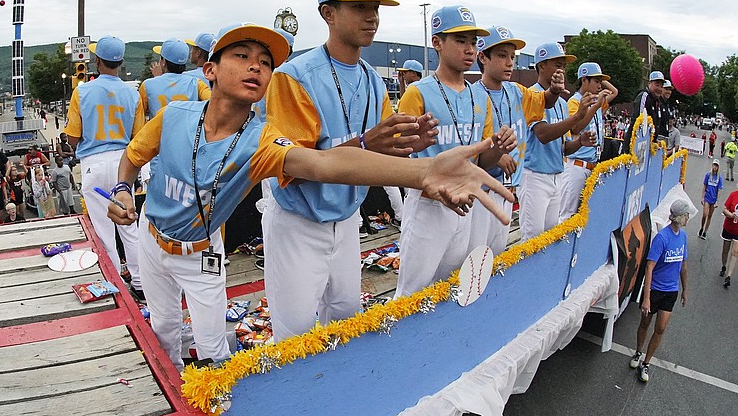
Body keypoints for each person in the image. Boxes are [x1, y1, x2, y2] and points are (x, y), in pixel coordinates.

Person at [106, 22, 512, 371]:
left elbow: (322, 165)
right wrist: (123, 189)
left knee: (213, 349)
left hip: (202, 253)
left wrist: (423, 171)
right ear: (209, 69)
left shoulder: (260, 141)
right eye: (242, 56)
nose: (255, 66)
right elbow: (132, 157)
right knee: (163, 331)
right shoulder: (175, 115)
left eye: (265, 63)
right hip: (151, 237)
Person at [264, 0, 439, 341]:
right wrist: (365, 145)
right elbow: (295, 165)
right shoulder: (293, 77)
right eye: (359, 6)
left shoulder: (373, 79)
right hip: (299, 222)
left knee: (345, 319)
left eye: (375, 7)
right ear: (328, 13)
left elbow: (385, 152)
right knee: (293, 333)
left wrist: (409, 146)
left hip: (347, 219)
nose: (372, 16)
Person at [394, 5, 516, 298]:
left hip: (466, 205)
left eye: (473, 42)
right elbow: (397, 157)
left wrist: (496, 148)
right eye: (460, 40)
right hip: (428, 205)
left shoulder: (479, 94)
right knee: (411, 294)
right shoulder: (418, 92)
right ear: (437, 42)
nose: (469, 49)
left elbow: (482, 161)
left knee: (451, 289)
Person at [470, 30, 568, 249]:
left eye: (513, 57)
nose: (509, 63)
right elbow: (468, 142)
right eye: (502, 55)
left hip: (509, 188)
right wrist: (495, 156)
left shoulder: (516, 91)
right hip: (480, 192)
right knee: (475, 257)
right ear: (483, 57)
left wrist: (553, 90)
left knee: (497, 255)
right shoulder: (472, 94)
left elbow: (545, 101)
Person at [64, 35, 144, 299]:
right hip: (124, 162)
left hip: (94, 164)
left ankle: (115, 283)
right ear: (120, 62)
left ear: (97, 61)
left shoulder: (83, 91)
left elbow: (72, 136)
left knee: (103, 229)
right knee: (128, 225)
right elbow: (139, 136)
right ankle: (141, 282)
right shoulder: (132, 93)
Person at [520, 42, 596, 240]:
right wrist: (577, 117)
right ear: (541, 65)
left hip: (557, 175)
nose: (561, 69)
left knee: (551, 238)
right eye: (556, 64)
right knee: (532, 240)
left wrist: (580, 142)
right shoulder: (532, 95)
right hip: (534, 176)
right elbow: (543, 135)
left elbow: (563, 147)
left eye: (563, 65)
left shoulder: (561, 103)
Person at [629, 199, 690, 383]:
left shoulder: (684, 237)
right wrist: (646, 298)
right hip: (655, 289)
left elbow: (683, 265)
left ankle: (646, 362)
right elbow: (649, 267)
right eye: (686, 215)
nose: (688, 218)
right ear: (679, 217)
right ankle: (638, 352)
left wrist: (685, 289)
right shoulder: (662, 238)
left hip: (671, 291)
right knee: (645, 323)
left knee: (661, 328)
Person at [559, 62, 618, 222]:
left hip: (592, 165)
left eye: (600, 81)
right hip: (576, 165)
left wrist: (600, 78)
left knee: (585, 215)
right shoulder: (574, 101)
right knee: (567, 215)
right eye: (596, 81)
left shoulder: (597, 100)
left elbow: (614, 91)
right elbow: (576, 128)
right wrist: (596, 104)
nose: (600, 85)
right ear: (584, 80)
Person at [140, 38, 211, 118]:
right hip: (187, 130)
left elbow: (140, 115)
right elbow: (213, 102)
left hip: (160, 130)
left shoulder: (147, 85)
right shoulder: (196, 83)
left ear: (163, 62)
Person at [699, 159, 724, 239]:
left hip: (713, 199)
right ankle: (702, 227)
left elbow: (719, 190)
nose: (715, 167)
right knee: (705, 214)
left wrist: (717, 201)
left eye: (716, 166)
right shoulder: (708, 175)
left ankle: (705, 232)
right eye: (714, 165)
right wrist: (702, 197)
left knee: (709, 216)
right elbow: (704, 186)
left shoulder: (719, 178)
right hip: (707, 198)